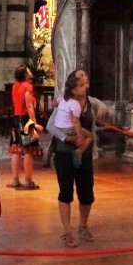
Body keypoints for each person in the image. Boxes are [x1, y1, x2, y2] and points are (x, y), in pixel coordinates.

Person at [48, 70, 98, 247]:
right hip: (64, 151)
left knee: (87, 193)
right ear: (74, 86)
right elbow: (50, 126)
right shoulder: (65, 101)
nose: (85, 78)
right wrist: (67, 138)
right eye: (81, 77)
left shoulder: (91, 102)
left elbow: (94, 124)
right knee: (66, 192)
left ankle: (83, 226)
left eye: (85, 76)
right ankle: (67, 232)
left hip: (84, 153)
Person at [7, 65, 43, 190]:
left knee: (16, 149)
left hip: (16, 119)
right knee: (29, 150)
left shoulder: (15, 86)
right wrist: (34, 122)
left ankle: (15, 179)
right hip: (25, 119)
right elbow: (29, 106)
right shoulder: (28, 86)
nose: (30, 71)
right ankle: (28, 180)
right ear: (25, 74)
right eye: (28, 70)